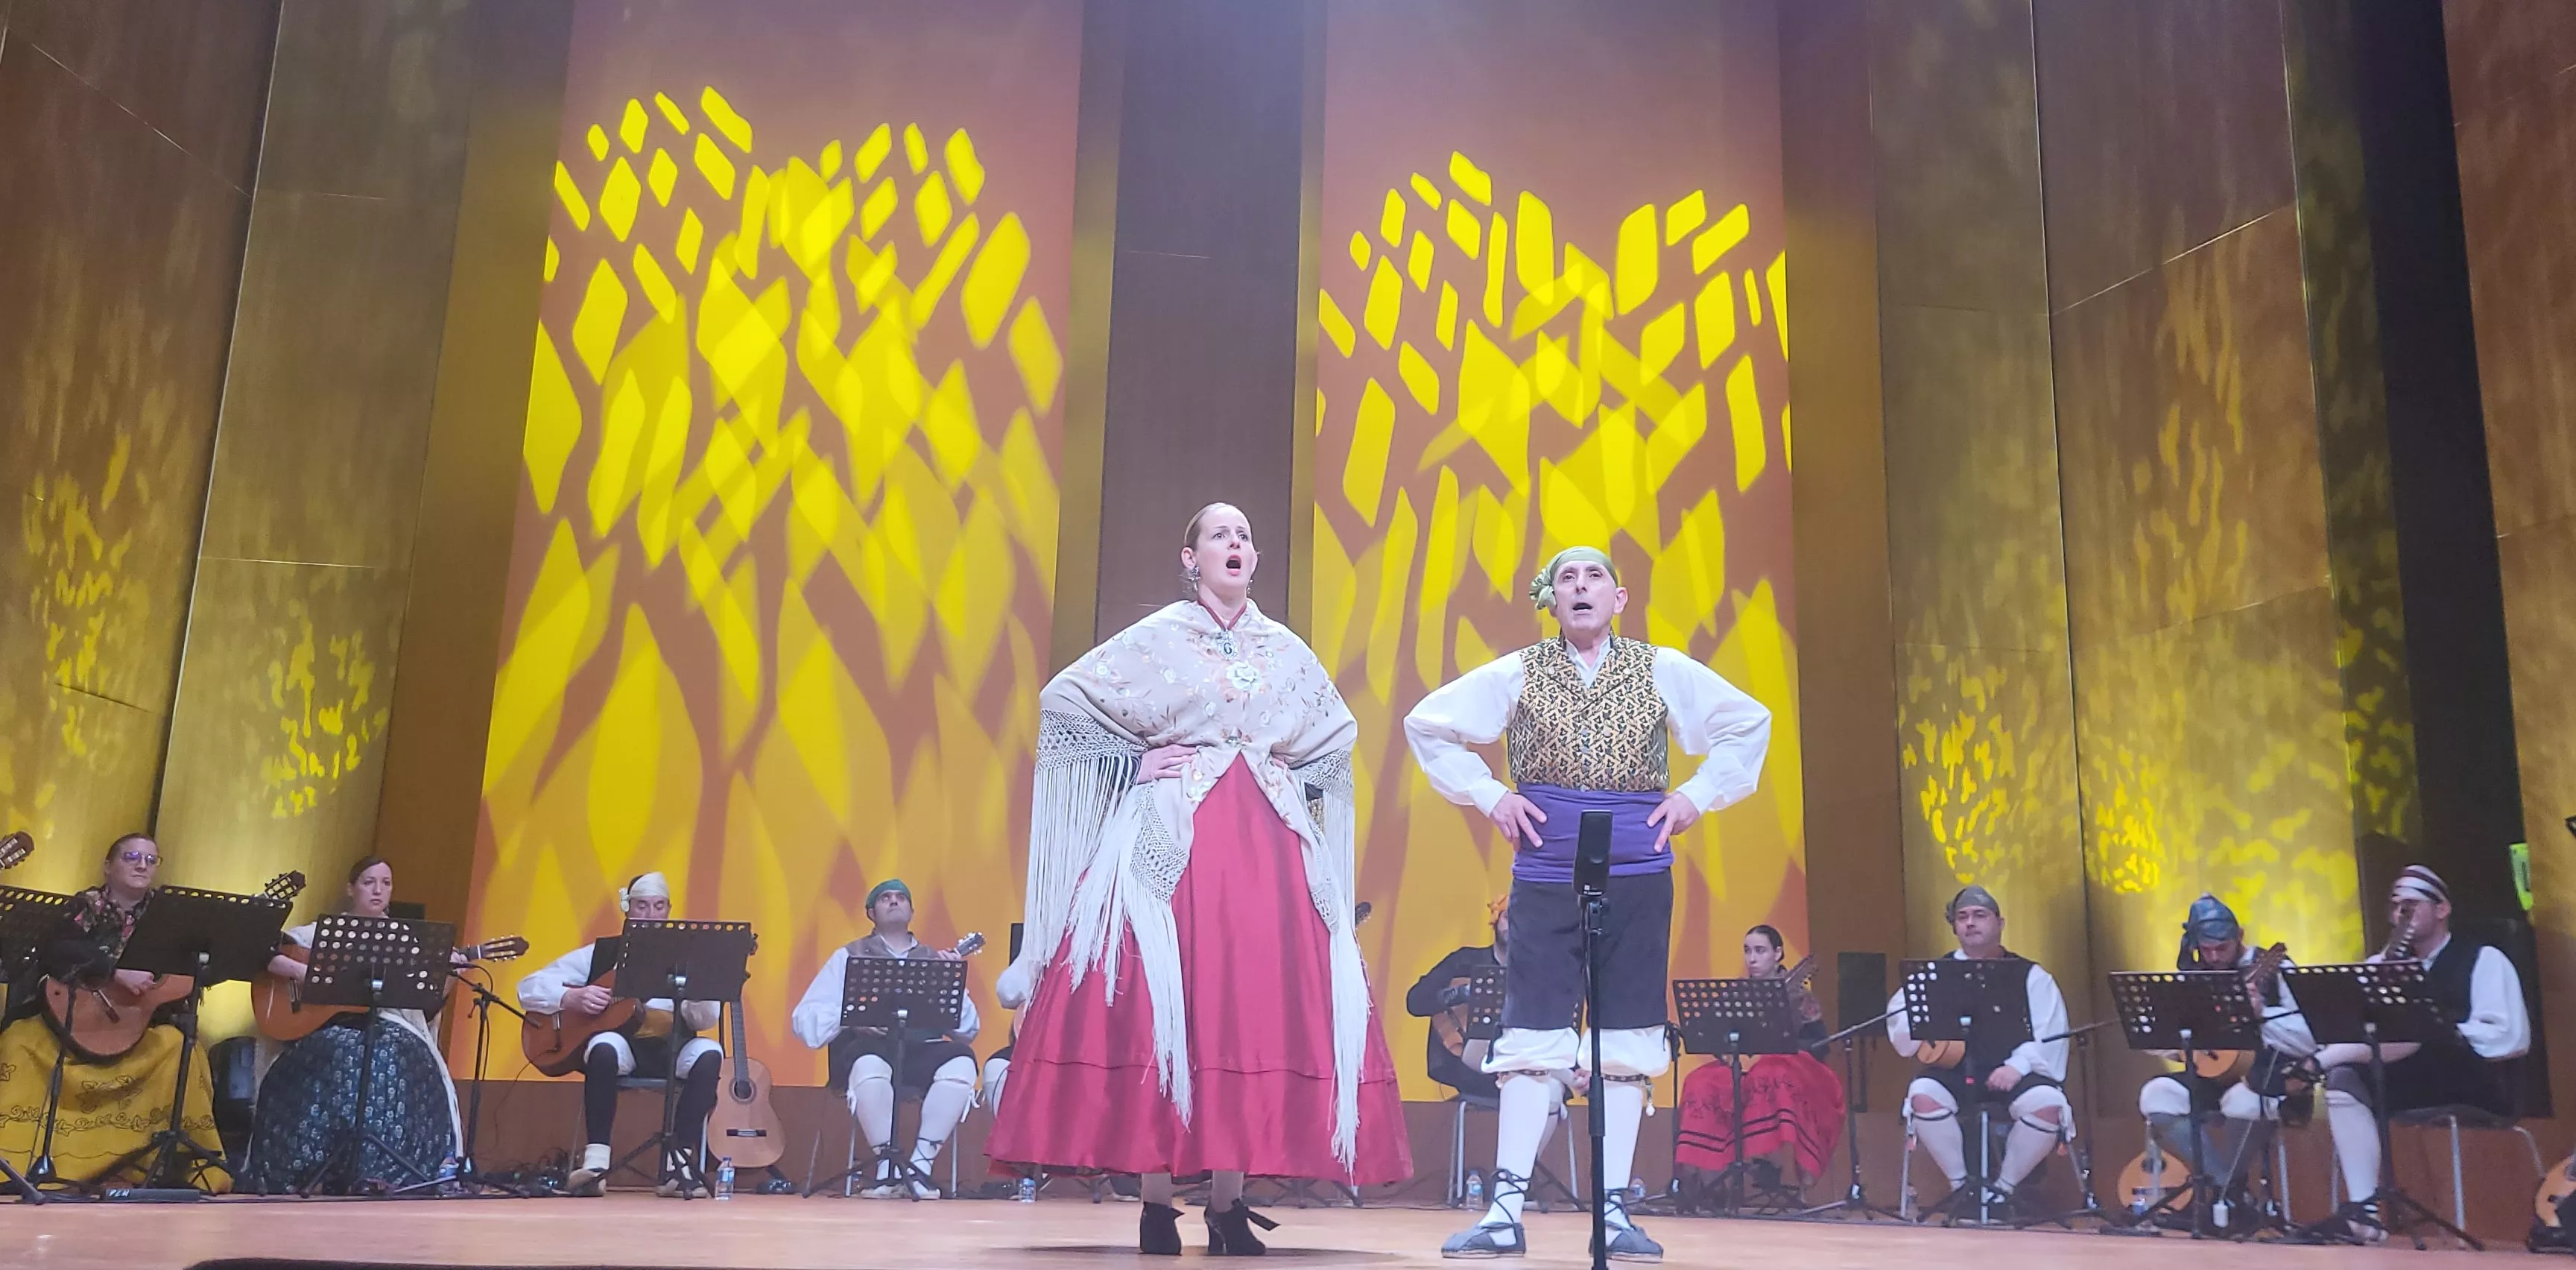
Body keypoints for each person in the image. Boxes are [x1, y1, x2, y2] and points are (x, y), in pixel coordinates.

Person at [989, 502, 1412, 1257]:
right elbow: (1064, 699)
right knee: (1166, 997)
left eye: (1246, 535)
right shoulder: (1158, 638)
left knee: (1248, 1007)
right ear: (1189, 559)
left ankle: (1227, 1202)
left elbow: (1336, 732)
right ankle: (1156, 1201)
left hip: (1268, 846)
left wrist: (1289, 767)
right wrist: (1133, 759)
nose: (1237, 544)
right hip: (1177, 836)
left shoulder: (1282, 648)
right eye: (1220, 534)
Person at [1407, 544, 1773, 1262]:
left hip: (1637, 865)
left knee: (1628, 1034)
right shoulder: (1520, 670)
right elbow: (1428, 724)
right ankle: (1504, 1211)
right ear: (1552, 599)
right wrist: (1491, 794)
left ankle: (1612, 1213)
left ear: (1619, 597)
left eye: (1594, 577)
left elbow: (1748, 723)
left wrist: (1696, 796)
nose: (1580, 587)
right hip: (1545, 866)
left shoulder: (1659, 667)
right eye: (1567, 578)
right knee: (1532, 1030)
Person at [2311, 865, 2529, 1243]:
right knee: (2343, 1079)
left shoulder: (2483, 959)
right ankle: (2364, 1215)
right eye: (2396, 907)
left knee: (2402, 1037)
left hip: (2467, 1081)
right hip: (2403, 1079)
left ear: (2442, 909)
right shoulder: (2380, 965)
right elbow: (2347, 1024)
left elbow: (2511, 1036)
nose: (2401, 915)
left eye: (2411, 905)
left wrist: (2439, 1029)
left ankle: (2314, 1065)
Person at [0, 835, 228, 1190]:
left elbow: (201, 968)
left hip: (137, 1027)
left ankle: (149, 1166)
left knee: (180, 1046)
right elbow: (56, 949)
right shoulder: (82, 907)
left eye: (151, 860)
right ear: (108, 866)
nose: (142, 865)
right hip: (73, 1023)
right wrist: (112, 970)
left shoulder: (173, 919)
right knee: (18, 1041)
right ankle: (22, 1162)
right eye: (132, 856)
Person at [239, 857, 464, 1192]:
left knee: (395, 1054)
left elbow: (423, 1003)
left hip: (387, 1024)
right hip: (327, 1028)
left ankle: (384, 1168)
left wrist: (449, 975)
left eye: (386, 883)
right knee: (338, 1053)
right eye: (369, 882)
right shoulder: (321, 933)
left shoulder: (403, 939)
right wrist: (306, 973)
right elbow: (262, 951)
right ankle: (313, 1164)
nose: (378, 890)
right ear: (351, 888)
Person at [515, 871, 722, 1197]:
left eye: (657, 906)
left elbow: (705, 1017)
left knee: (711, 1053)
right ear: (628, 909)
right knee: (603, 1045)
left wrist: (699, 987)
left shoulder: (686, 957)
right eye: (641, 906)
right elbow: (528, 987)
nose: (650, 915)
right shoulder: (602, 953)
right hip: (623, 1048)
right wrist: (570, 998)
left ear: (668, 910)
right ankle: (596, 1166)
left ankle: (677, 1166)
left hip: (670, 1050)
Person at [1885, 885, 2071, 1215]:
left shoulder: (2031, 975)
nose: (1970, 923)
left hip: (2013, 1072)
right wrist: (1922, 1037)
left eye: (1979, 916)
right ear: (1955, 927)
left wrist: (2017, 1066)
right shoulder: (1932, 973)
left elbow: (2051, 1032)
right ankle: (1963, 1191)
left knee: (2049, 1105)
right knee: (1922, 1093)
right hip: (1955, 1071)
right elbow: (1902, 1018)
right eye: (1962, 917)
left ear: (2000, 923)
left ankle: (2002, 1193)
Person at [791, 878, 978, 1198]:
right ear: (870, 912)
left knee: (961, 1063)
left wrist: (952, 981)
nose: (894, 901)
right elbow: (806, 1020)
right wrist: (852, 1014)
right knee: (868, 1064)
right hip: (870, 1048)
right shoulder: (849, 956)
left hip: (921, 1051)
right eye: (885, 898)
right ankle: (886, 1167)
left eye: (902, 897)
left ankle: (920, 1167)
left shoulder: (934, 958)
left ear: (912, 910)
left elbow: (968, 1029)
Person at [2132, 894, 2313, 1224]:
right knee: (2155, 1095)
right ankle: (2228, 1192)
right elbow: (2161, 1042)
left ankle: (2224, 1200)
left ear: (2239, 936)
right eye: (2207, 950)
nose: (2214, 958)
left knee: (2240, 1101)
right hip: (2213, 1078)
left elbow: (2310, 1035)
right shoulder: (2196, 975)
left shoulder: (2276, 968)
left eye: (2223, 949)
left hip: (2271, 1077)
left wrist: (2261, 1015)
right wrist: (2184, 1041)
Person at [1673, 925, 1844, 1204]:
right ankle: (1709, 1178)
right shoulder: (1738, 994)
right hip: (1746, 1066)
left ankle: (1772, 1162)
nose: (1752, 958)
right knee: (1700, 1081)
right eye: (1747, 951)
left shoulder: (1800, 996)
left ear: (1778, 954)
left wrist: (1779, 1045)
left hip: (1794, 1068)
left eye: (1760, 951)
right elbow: (1710, 1033)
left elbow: (1819, 1046)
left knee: (1768, 1073)